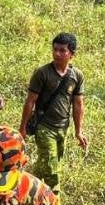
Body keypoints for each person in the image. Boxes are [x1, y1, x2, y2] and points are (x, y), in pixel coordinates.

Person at [18, 33, 88, 193]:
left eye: (62, 50)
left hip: (63, 128)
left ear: (72, 54)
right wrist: (22, 128)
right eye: (55, 49)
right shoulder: (42, 73)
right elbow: (30, 101)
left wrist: (78, 132)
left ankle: (28, 189)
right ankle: (53, 202)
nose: (57, 53)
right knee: (52, 170)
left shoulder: (77, 76)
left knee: (47, 164)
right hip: (44, 127)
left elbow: (78, 104)